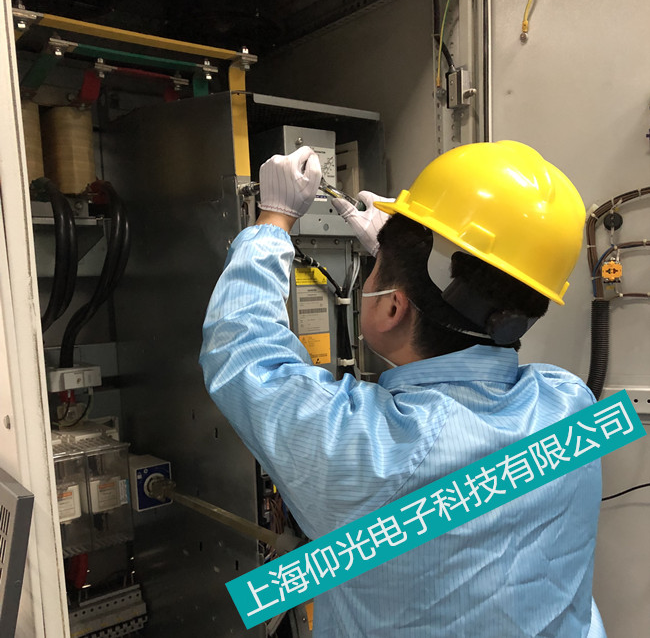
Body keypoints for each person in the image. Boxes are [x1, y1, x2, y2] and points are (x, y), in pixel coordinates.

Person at [200, 141, 605, 637]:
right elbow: (484, 292)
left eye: (373, 271)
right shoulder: (570, 405)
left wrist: (273, 220)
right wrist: (401, 260)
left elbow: (243, 351)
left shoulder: (379, 452)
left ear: (393, 307)